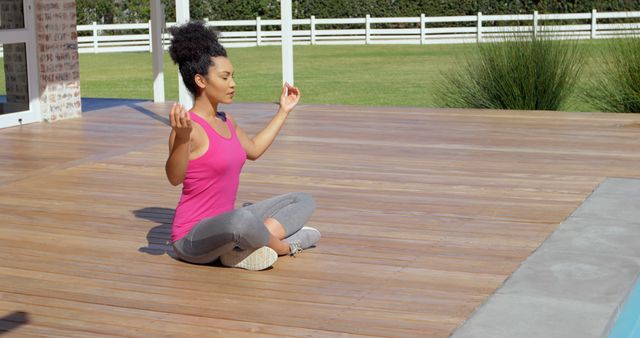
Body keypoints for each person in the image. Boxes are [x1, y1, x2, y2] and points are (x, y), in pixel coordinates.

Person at [165, 21, 320, 271]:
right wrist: (181, 138)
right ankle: (286, 246)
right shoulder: (188, 127)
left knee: (302, 200)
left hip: (231, 223)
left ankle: (244, 247)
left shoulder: (227, 121)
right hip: (192, 238)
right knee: (241, 219)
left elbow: (255, 150)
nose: (233, 83)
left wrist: (283, 111)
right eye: (225, 77)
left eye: (233, 76)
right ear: (200, 81)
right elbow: (174, 177)